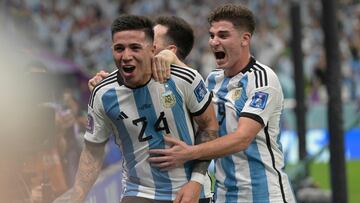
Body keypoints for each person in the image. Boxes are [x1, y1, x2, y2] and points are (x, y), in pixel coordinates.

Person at [55, 14, 218, 203]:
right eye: (119, 49)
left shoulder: (183, 78)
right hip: (139, 192)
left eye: (135, 48)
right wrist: (78, 194)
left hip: (189, 191)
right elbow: (93, 149)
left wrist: (196, 182)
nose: (126, 56)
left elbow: (209, 127)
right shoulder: (102, 93)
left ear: (152, 50)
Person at [148, 4, 296, 203]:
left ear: (245, 39)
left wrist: (189, 153)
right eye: (212, 35)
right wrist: (111, 82)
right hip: (225, 196)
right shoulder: (213, 79)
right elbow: (198, 115)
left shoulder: (262, 80)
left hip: (264, 195)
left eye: (223, 36)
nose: (214, 42)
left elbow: (242, 139)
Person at [88, 15, 193, 91]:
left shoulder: (185, 87)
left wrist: (177, 63)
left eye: (152, 41)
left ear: (170, 52)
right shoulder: (122, 84)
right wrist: (107, 92)